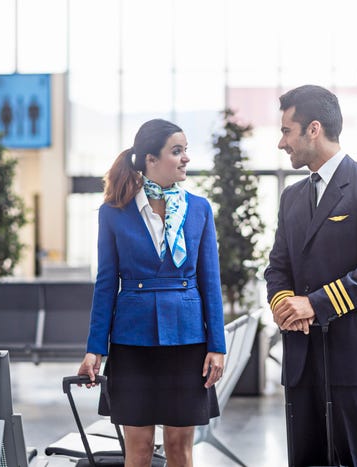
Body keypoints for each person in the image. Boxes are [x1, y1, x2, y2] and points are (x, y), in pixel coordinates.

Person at [265, 85, 357, 466]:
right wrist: (283, 306)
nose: (281, 143)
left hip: (355, 360)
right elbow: (277, 268)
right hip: (302, 359)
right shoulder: (291, 196)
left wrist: (313, 304)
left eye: (286, 131)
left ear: (313, 129)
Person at [77, 119, 226, 467]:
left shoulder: (200, 209)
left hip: (188, 341)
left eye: (186, 150)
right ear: (150, 159)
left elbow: (210, 282)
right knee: (139, 450)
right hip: (132, 343)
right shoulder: (113, 213)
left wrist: (216, 345)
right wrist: (94, 349)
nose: (186, 158)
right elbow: (105, 283)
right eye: (177, 151)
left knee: (180, 450)